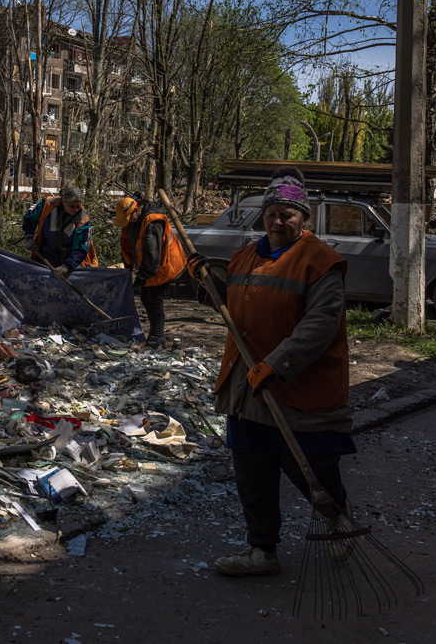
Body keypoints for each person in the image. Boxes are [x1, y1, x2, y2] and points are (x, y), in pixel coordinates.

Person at [193, 166, 355, 576]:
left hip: (298, 385)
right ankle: (262, 550)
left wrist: (278, 365)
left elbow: (320, 325)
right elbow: (233, 305)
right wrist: (208, 281)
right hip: (247, 382)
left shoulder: (321, 262)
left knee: (309, 465)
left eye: (287, 214)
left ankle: (338, 516)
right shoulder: (246, 255)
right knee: (253, 471)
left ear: (305, 218)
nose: (278, 222)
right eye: (272, 215)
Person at [115, 195, 188, 349]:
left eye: (129, 218)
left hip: (166, 265)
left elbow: (152, 257)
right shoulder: (134, 221)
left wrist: (140, 281)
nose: (128, 223)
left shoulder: (152, 223)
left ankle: (157, 337)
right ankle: (158, 337)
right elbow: (127, 244)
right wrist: (127, 269)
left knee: (153, 299)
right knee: (147, 298)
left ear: (135, 210)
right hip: (152, 266)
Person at [22, 186, 97, 276]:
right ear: (63, 202)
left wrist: (66, 267)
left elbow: (81, 249)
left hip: (70, 262)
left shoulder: (83, 221)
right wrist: (29, 237)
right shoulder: (47, 205)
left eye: (78, 206)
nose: (76, 209)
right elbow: (29, 217)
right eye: (72, 206)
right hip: (45, 256)